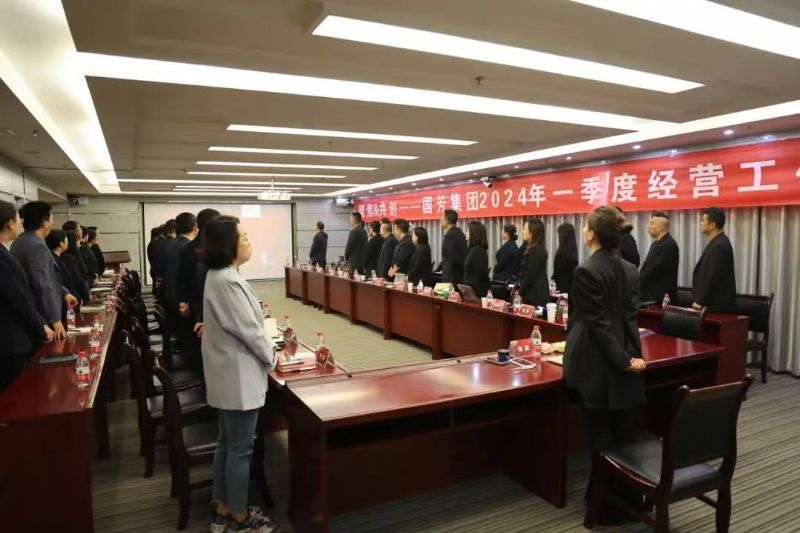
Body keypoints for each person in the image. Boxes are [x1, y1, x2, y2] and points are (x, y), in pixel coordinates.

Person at [564, 206, 646, 524]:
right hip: (623, 361)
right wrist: (632, 359)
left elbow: (598, 326)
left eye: (586, 227)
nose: (583, 231)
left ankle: (603, 507)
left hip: (596, 364)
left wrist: (624, 361)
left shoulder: (585, 271)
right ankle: (629, 500)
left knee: (600, 437)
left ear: (593, 235)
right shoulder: (631, 269)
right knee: (625, 435)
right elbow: (630, 322)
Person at [201, 215, 276, 533]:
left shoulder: (221, 276)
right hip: (237, 378)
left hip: (228, 375)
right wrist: (272, 356)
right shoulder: (227, 281)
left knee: (226, 444)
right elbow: (251, 332)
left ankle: (222, 509)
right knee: (240, 449)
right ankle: (240, 518)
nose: (249, 241)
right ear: (227, 244)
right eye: (244, 237)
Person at [0, 201, 54, 392]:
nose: (21, 223)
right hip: (10, 343)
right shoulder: (4, 255)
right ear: (10, 223)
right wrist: (41, 327)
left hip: (13, 340)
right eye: (18, 219)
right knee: (18, 397)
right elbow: (19, 299)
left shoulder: (9, 248)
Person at [11, 201, 77, 340]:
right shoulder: (35, 246)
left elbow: (47, 275)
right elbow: (42, 284)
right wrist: (55, 319)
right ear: (45, 223)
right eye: (52, 218)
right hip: (42, 316)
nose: (53, 222)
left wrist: (64, 293)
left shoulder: (23, 241)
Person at [178, 208, 220, 358]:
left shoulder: (188, 247)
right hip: (211, 306)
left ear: (198, 225)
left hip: (194, 303)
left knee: (199, 345)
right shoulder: (218, 249)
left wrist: (184, 300)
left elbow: (182, 277)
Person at [163, 213, 198, 352]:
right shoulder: (188, 247)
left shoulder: (170, 244)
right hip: (183, 302)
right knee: (188, 342)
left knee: (182, 337)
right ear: (195, 227)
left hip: (171, 296)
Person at [692, 207, 737, 313]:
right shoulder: (716, 242)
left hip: (716, 307)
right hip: (710, 305)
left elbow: (713, 277)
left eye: (703, 220)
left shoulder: (720, 246)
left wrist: (701, 302)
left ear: (712, 225)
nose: (700, 223)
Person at [639, 212, 679, 305]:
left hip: (659, 299)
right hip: (649, 295)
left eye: (651, 223)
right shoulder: (656, 243)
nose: (648, 226)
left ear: (660, 227)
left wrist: (638, 283)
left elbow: (654, 270)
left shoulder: (668, 245)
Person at [46, 229, 89, 307]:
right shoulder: (54, 260)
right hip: (63, 302)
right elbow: (67, 282)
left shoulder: (59, 258)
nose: (68, 243)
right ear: (61, 243)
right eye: (66, 240)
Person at [518, 218, 549, 306]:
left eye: (525, 228)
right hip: (532, 292)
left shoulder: (536, 250)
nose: (522, 231)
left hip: (535, 295)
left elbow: (529, 275)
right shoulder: (532, 248)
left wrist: (520, 292)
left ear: (532, 232)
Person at [440, 209, 468, 284]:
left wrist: (447, 282)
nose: (440, 220)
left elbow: (449, 260)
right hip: (460, 276)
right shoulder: (460, 233)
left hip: (451, 278)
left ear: (447, 221)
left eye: (442, 219)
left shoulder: (449, 236)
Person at [552, 222, 579, 295]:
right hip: (571, 288)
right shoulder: (573, 250)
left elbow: (557, 272)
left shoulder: (561, 251)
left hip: (561, 289)